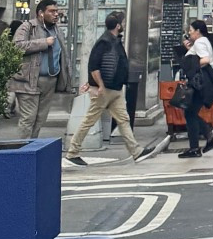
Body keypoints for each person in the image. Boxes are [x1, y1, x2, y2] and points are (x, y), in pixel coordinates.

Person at [64, 14, 155, 165]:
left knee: (123, 120)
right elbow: (94, 66)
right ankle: (72, 153)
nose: (124, 24)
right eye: (123, 22)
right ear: (118, 25)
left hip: (115, 89)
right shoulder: (104, 42)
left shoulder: (114, 41)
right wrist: (98, 84)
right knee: (89, 120)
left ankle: (136, 151)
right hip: (105, 90)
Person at [10, 0, 70, 139]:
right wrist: (43, 43)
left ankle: (32, 147)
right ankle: (22, 151)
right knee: (28, 118)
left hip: (49, 81)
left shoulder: (57, 30)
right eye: (52, 11)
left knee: (40, 118)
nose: (56, 14)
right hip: (28, 81)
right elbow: (16, 47)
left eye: (56, 11)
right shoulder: (28, 27)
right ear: (41, 13)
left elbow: (63, 55)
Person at [175, 24, 213, 158]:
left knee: (190, 112)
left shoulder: (200, 42)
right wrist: (190, 49)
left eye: (191, 31)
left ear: (198, 31)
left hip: (199, 82)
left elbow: (205, 59)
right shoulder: (203, 41)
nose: (189, 33)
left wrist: (190, 63)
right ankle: (204, 138)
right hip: (205, 82)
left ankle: (201, 140)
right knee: (190, 112)